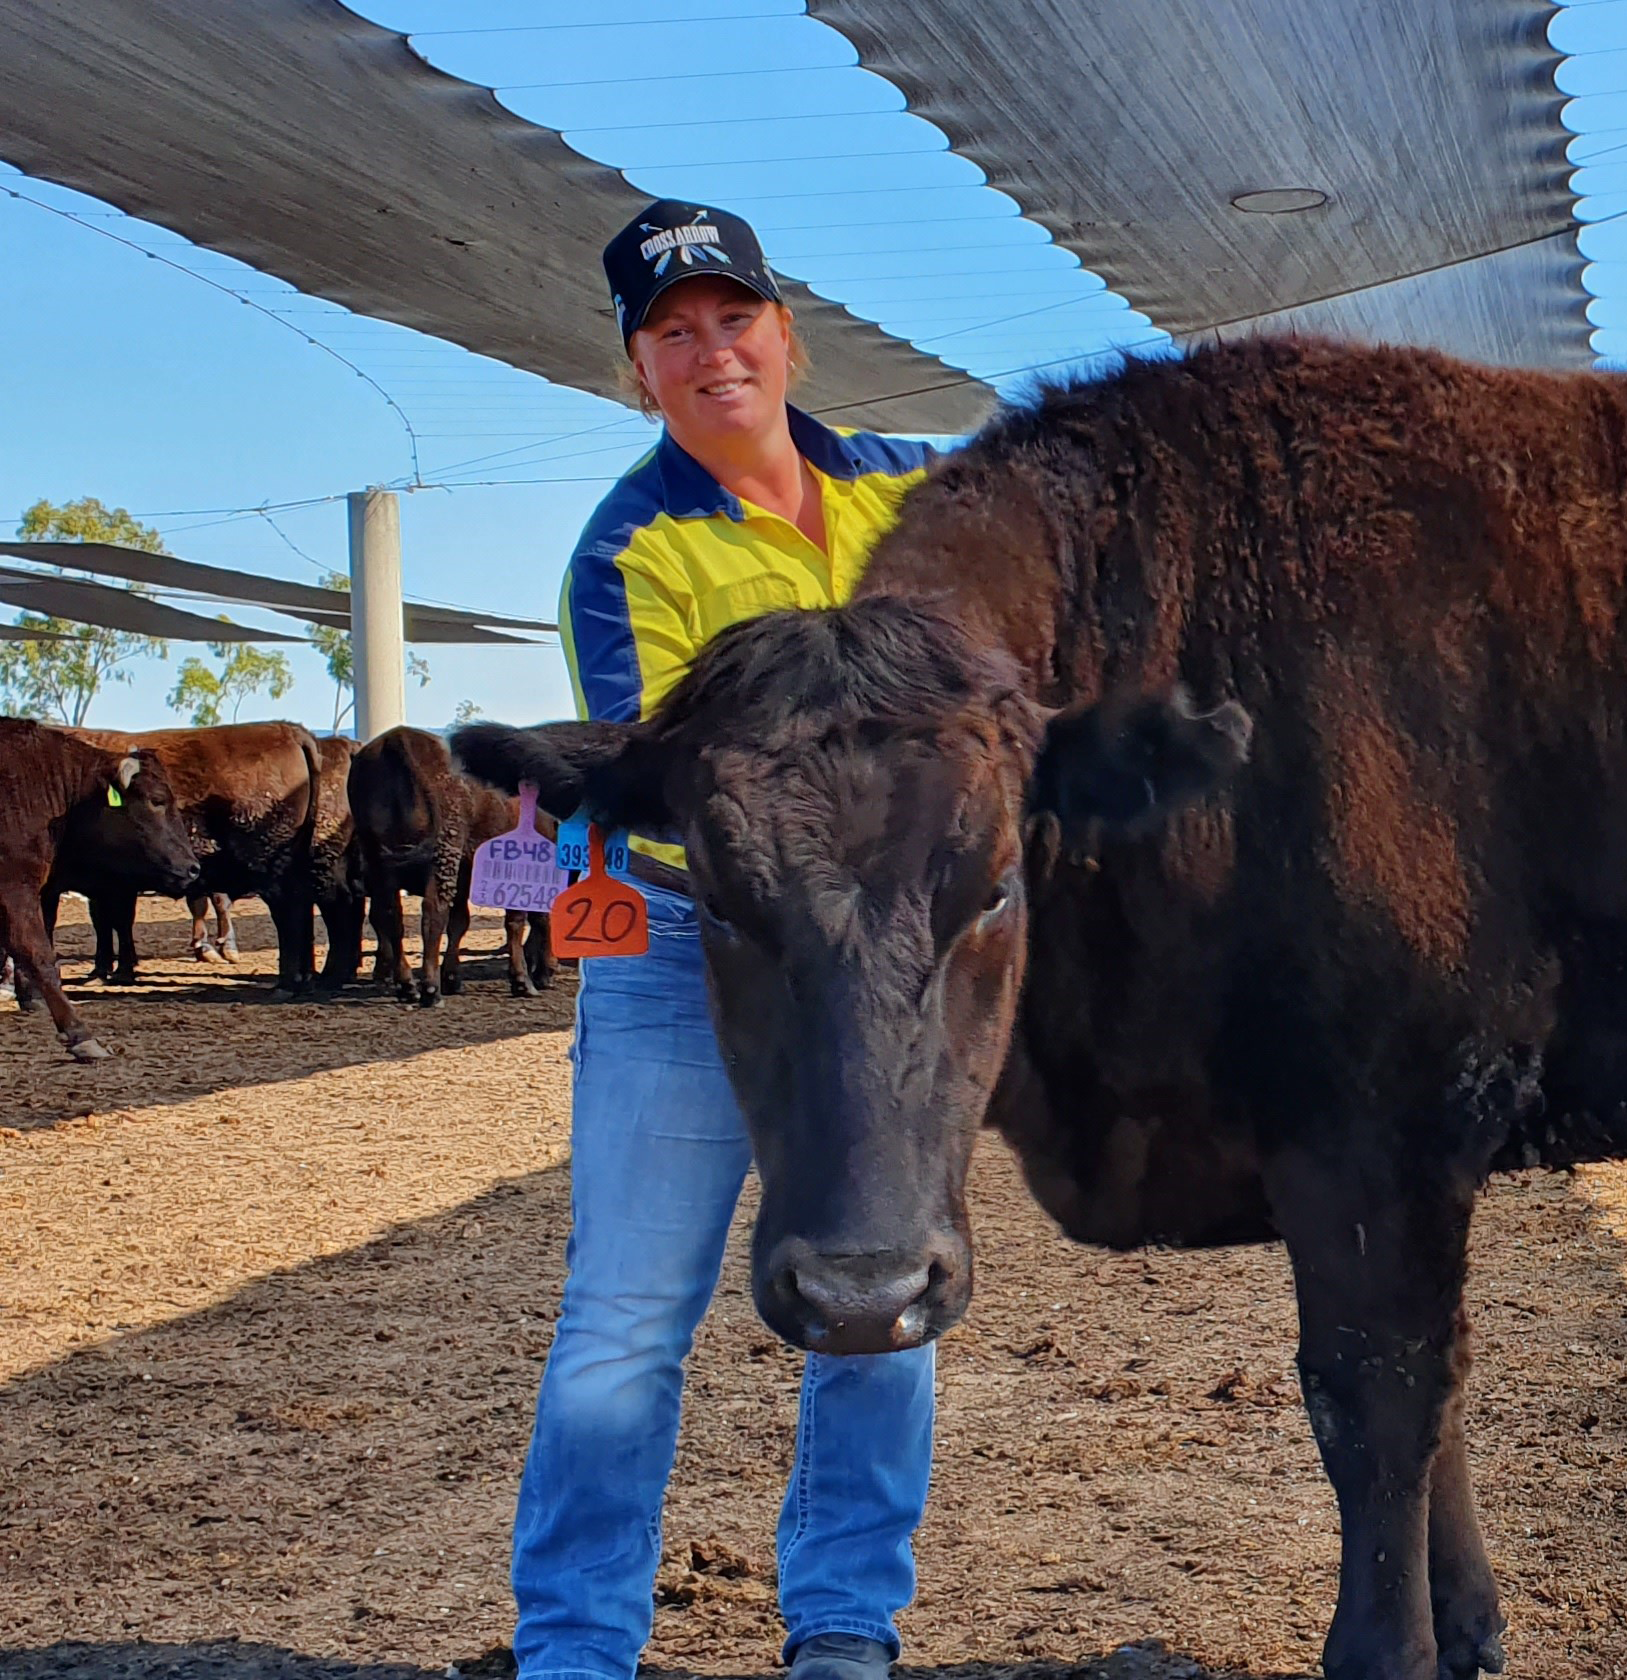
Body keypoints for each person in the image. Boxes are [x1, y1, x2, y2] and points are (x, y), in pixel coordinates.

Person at [512, 199, 947, 1680]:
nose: (714, 353)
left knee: (881, 1294)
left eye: (733, 317)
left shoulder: (918, 488)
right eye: (674, 332)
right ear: (636, 368)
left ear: (787, 333)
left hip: (876, 974)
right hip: (693, 956)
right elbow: (670, 782)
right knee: (627, 1318)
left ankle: (846, 1625)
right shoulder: (627, 551)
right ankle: (577, 1647)